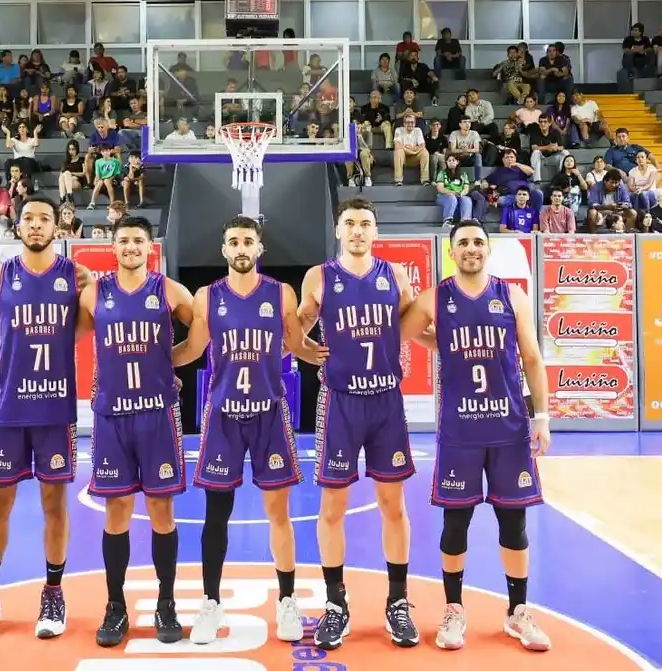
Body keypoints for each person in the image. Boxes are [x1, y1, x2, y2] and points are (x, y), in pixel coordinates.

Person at [171, 216, 326, 645]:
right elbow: (192, 349)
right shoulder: (207, 297)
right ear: (223, 250)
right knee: (215, 515)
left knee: (279, 512)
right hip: (222, 416)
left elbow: (299, 346)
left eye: (248, 241)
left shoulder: (280, 294)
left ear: (260, 249)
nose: (241, 248)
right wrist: (153, 364)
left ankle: (288, 601)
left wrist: (338, 357)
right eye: (233, 241)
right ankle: (210, 602)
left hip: (269, 414)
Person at [400, 219, 552, 653]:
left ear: (488, 250)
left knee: (514, 521)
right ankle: (453, 609)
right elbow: (402, 334)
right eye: (463, 242)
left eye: (478, 242)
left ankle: (518, 612)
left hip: (508, 427)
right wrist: (441, 342)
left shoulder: (512, 296)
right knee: (455, 521)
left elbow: (533, 359)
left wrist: (541, 417)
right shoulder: (435, 297)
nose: (471, 248)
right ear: (452, 252)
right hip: (460, 429)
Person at [0, 194, 93, 642]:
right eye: (28, 218)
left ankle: (53, 592)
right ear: (17, 227)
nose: (36, 225)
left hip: (55, 408)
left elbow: (107, 318)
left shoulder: (77, 277)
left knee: (54, 504)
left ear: (59, 227)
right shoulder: (0, 278)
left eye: (44, 218)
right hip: (7, 408)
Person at [297, 197, 424, 651]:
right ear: (338, 231)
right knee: (332, 508)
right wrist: (305, 349)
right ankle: (336, 603)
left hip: (386, 399)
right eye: (349, 223)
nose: (356, 230)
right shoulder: (320, 277)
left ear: (375, 232)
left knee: (394, 505)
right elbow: (296, 328)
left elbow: (416, 325)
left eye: (364, 223)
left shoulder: (396, 276)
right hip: (341, 402)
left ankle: (397, 602)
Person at [78, 216, 195, 648]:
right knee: (117, 513)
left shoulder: (169, 290)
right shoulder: (94, 293)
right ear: (113, 246)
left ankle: (167, 603)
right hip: (112, 416)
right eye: (123, 240)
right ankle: (115, 606)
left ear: (151, 247)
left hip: (157, 415)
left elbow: (200, 337)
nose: (131, 247)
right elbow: (66, 336)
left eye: (138, 241)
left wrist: (171, 364)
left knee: (162, 512)